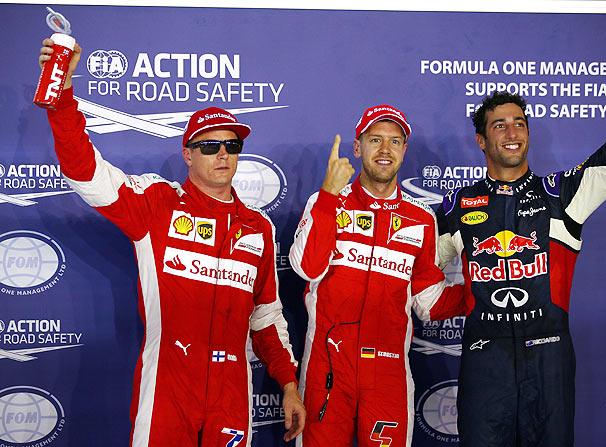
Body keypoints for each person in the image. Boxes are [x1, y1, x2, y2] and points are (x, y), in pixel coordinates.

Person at [39, 38, 305, 447]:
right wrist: (62, 97)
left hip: (231, 391)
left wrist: (288, 384)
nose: (223, 154)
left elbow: (265, 317)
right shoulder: (157, 205)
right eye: (210, 145)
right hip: (168, 385)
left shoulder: (258, 227)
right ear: (187, 154)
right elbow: (85, 171)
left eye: (232, 145)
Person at [436, 30, 606, 447]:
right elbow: (412, 265)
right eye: (499, 125)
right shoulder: (456, 207)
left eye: (519, 123)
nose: (512, 132)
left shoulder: (563, 195)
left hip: (549, 360)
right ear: (481, 140)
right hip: (485, 359)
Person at [289, 105, 466, 446]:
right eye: (375, 140)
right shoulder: (326, 201)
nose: (385, 150)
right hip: (327, 369)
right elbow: (306, 267)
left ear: (404, 150)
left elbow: (428, 302)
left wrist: (485, 288)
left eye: (395, 141)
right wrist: (327, 196)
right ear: (357, 148)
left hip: (388, 372)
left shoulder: (421, 218)